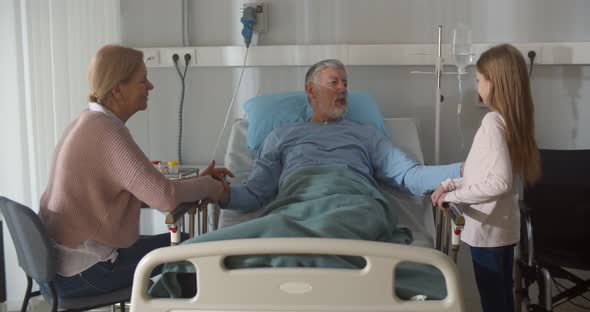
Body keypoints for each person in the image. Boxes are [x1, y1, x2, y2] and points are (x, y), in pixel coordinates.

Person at [38, 44, 232, 299]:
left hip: (64, 267)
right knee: (192, 249)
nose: (150, 86)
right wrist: (211, 187)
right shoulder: (107, 133)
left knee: (184, 243)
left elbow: (148, 189)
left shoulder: (88, 122)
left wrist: (200, 180)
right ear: (117, 89)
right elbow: (166, 197)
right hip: (86, 271)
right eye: (142, 80)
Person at [431, 44, 540, 312]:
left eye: (478, 80)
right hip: (502, 228)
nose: (477, 86)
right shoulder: (512, 121)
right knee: (502, 294)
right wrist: (449, 183)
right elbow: (481, 173)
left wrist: (452, 197)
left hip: (487, 231)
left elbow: (498, 182)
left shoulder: (493, 123)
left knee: (493, 298)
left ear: (494, 82)